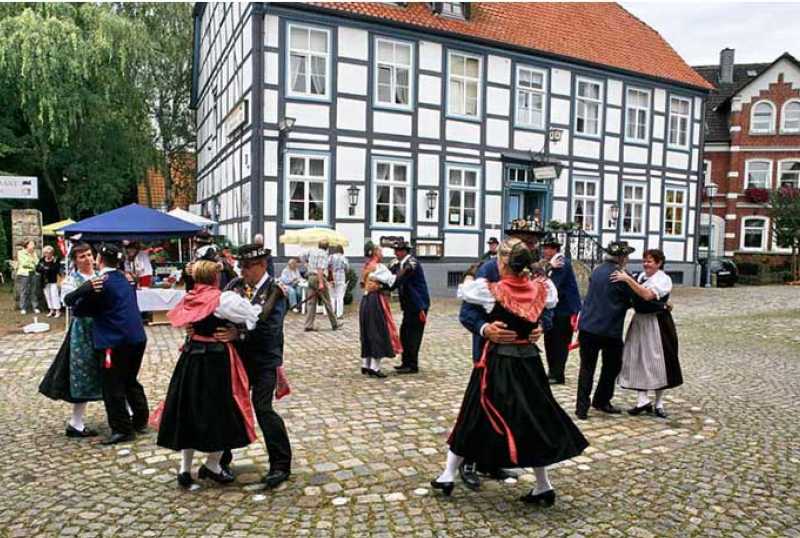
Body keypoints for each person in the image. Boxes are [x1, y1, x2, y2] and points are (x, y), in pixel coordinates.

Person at [432, 239, 588, 506]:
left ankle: (448, 474)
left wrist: (541, 327)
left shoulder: (492, 290)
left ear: (505, 263)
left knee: (474, 412)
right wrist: (487, 328)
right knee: (532, 418)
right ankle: (541, 485)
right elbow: (546, 306)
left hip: (498, 363)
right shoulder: (542, 288)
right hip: (529, 364)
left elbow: (467, 293)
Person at [457, 226, 549, 490]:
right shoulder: (489, 270)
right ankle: (470, 462)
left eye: (534, 242)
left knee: (510, 409)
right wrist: (486, 329)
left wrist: (541, 326)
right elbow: (467, 314)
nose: (531, 247)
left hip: (521, 357)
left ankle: (493, 459)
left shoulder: (535, 271)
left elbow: (543, 307)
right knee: (481, 408)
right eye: (527, 242)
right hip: (491, 353)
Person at [158, 260, 261, 489]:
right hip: (215, 360)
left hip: (191, 359)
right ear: (216, 278)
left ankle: (185, 470)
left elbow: (183, 320)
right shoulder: (223, 299)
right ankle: (213, 464)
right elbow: (253, 316)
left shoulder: (190, 297)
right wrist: (238, 330)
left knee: (189, 410)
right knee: (221, 411)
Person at [219, 244, 292, 489]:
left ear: (262, 265)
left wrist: (237, 334)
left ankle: (280, 464)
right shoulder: (235, 286)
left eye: (248, 267)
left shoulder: (276, 290)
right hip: (238, 359)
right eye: (241, 266)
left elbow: (270, 329)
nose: (243, 271)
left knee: (263, 408)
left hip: (264, 359)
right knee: (230, 407)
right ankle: (219, 461)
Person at [70, 243, 149, 445]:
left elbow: (78, 309)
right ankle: (140, 420)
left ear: (99, 260)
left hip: (113, 340)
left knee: (112, 386)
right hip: (137, 337)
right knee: (130, 380)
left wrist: (85, 290)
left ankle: (122, 429)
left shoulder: (100, 283)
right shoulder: (126, 278)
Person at [38, 243, 103, 438]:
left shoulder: (101, 274)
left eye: (89, 254)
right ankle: (76, 422)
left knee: (112, 370)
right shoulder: (71, 280)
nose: (87, 259)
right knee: (81, 372)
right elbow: (67, 300)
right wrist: (85, 288)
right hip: (82, 330)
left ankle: (125, 414)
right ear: (75, 260)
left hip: (103, 327)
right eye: (82, 256)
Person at [612, 249, 682, 419]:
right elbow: (633, 298)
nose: (646, 264)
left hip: (657, 323)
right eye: (645, 260)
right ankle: (642, 401)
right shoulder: (641, 277)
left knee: (658, 361)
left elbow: (647, 295)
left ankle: (659, 403)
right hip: (640, 321)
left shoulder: (663, 279)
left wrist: (628, 280)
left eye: (650, 261)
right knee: (636, 358)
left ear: (659, 263)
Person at [574, 241, 635, 420]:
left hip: (588, 327)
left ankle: (581, 408)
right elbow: (631, 299)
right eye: (627, 256)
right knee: (612, 366)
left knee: (586, 368)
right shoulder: (621, 275)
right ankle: (601, 400)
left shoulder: (597, 270)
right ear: (622, 258)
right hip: (609, 329)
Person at [541, 235, 581, 385]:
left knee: (560, 342)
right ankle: (552, 371)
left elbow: (553, 286)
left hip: (564, 310)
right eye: (544, 247)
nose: (545, 251)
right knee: (550, 340)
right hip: (555, 310)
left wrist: (548, 268)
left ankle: (558, 373)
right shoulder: (551, 263)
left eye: (548, 248)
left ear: (555, 249)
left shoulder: (561, 263)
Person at [359, 241, 402, 378]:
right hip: (375, 300)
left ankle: (365, 364)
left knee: (367, 332)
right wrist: (400, 271)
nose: (382, 253)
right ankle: (375, 367)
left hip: (365, 300)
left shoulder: (366, 266)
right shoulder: (379, 267)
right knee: (378, 331)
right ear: (375, 252)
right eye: (380, 251)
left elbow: (364, 283)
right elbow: (392, 281)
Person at [389, 240, 430, 374]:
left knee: (413, 335)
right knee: (405, 334)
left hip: (418, 304)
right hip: (408, 305)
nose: (397, 253)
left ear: (406, 251)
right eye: (395, 250)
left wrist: (388, 285)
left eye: (399, 250)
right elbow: (388, 273)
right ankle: (405, 362)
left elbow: (401, 277)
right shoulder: (396, 263)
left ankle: (412, 365)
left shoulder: (412, 262)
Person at [304, 240, 339, 332]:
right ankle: (335, 323)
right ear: (327, 247)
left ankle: (308, 325)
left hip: (310, 276)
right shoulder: (323, 254)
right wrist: (321, 282)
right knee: (327, 301)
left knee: (311, 303)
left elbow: (301, 256)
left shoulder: (312, 251)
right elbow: (320, 268)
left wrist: (307, 265)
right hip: (318, 277)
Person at [37, 246, 62, 317]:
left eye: (49, 253)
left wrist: (45, 268)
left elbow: (56, 269)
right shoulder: (42, 260)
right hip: (44, 281)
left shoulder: (56, 260)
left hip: (53, 280)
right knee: (48, 296)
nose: (47, 254)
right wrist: (46, 269)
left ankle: (57, 311)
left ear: (52, 253)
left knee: (54, 295)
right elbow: (38, 268)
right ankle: (51, 310)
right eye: (46, 253)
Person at [16, 240, 40, 315]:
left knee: (33, 290)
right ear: (27, 245)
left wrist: (32, 259)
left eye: (34, 244)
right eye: (31, 244)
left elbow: (37, 263)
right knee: (24, 290)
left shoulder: (34, 253)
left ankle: (35, 307)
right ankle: (23, 308)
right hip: (24, 273)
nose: (33, 245)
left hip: (33, 273)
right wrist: (32, 262)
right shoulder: (20, 252)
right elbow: (24, 263)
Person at [329, 245, 349, 320]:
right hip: (341, 276)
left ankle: (332, 312)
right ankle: (339, 314)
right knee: (340, 296)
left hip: (332, 277)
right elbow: (347, 268)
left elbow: (327, 265)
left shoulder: (331, 257)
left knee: (332, 296)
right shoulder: (344, 258)